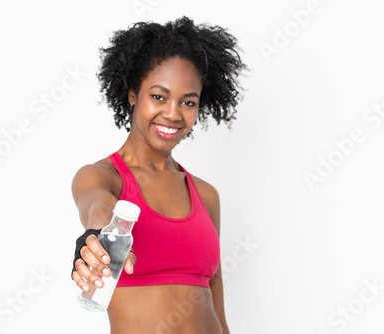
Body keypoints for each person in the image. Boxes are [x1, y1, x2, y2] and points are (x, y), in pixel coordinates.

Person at [71, 16, 247, 334]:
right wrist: (96, 236)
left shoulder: (206, 195)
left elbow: (217, 301)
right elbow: (97, 207)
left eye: (188, 102)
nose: (173, 113)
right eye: (158, 96)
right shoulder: (102, 177)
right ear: (132, 94)